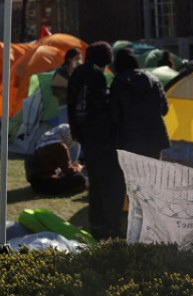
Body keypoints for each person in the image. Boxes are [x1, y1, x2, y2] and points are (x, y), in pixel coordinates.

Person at [68, 41, 121, 240]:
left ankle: (96, 225)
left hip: (84, 135)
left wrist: (76, 131)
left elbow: (72, 105)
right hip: (100, 135)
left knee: (95, 182)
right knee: (108, 182)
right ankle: (110, 226)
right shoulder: (97, 76)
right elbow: (99, 105)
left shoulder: (76, 74)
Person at [110, 48, 170, 159]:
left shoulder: (118, 83)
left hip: (129, 140)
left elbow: (114, 115)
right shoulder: (154, 80)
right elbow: (164, 109)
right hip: (154, 138)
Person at [25, 124, 87, 195]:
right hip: (46, 184)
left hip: (36, 184)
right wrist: (79, 168)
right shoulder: (60, 147)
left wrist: (72, 166)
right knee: (81, 178)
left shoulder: (44, 141)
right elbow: (69, 171)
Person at [51, 48, 81, 117]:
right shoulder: (61, 72)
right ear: (70, 59)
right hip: (64, 105)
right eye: (77, 59)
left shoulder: (80, 71)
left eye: (80, 59)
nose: (79, 61)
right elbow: (55, 91)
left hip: (77, 106)